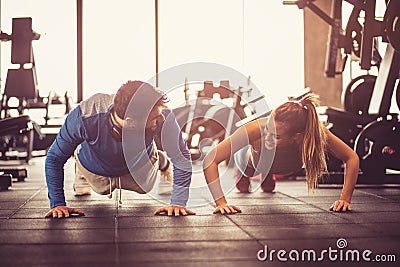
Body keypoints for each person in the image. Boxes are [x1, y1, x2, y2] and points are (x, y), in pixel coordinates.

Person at [45, 80, 195, 218]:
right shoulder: (85, 116)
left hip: (138, 164)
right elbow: (54, 158)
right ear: (131, 122)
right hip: (95, 165)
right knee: (101, 189)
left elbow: (181, 155)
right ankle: (81, 170)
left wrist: (178, 202)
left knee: (145, 187)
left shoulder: (162, 115)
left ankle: (161, 161)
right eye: (154, 118)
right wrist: (57, 204)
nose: (161, 118)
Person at [203, 93, 359, 214]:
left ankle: (267, 173)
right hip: (250, 162)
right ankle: (247, 174)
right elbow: (210, 160)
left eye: (276, 136)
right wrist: (221, 203)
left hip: (286, 165)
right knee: (250, 169)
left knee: (272, 174)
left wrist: (345, 199)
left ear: (297, 137)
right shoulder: (256, 130)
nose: (268, 138)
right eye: (268, 130)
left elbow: (351, 158)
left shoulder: (314, 133)